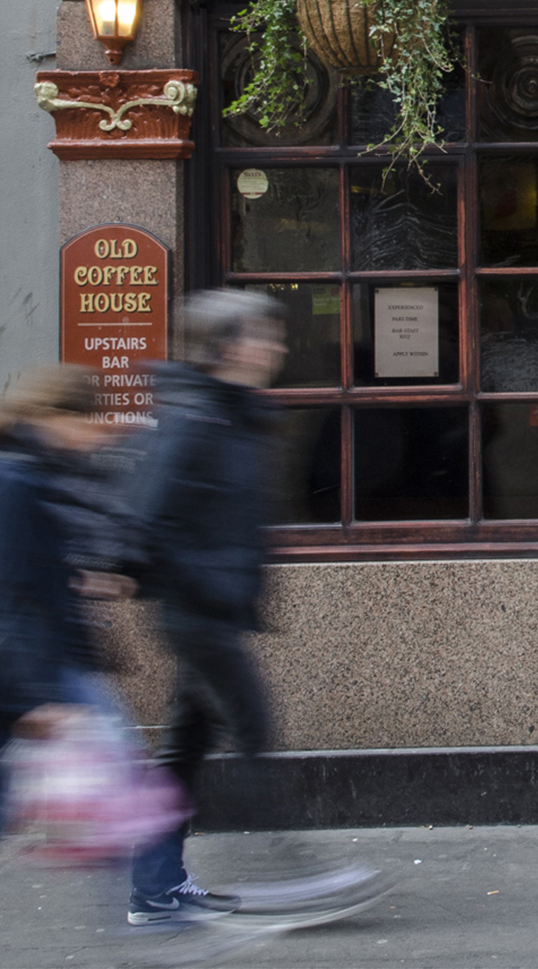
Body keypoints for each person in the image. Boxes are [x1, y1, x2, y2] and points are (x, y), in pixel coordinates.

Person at [125, 289, 381, 929]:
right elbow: (145, 522)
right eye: (265, 336)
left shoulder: (231, 414)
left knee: (184, 749)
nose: (278, 347)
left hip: (212, 612)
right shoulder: (194, 417)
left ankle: (154, 888)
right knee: (254, 732)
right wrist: (207, 586)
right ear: (228, 347)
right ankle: (286, 877)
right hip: (199, 616)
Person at [0, 364, 135, 820]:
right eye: (88, 424)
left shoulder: (38, 470)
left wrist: (79, 578)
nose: (96, 437)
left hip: (50, 656)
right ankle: (157, 887)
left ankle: (158, 885)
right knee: (121, 775)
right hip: (37, 663)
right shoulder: (17, 478)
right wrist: (32, 697)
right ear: (58, 417)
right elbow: (11, 594)